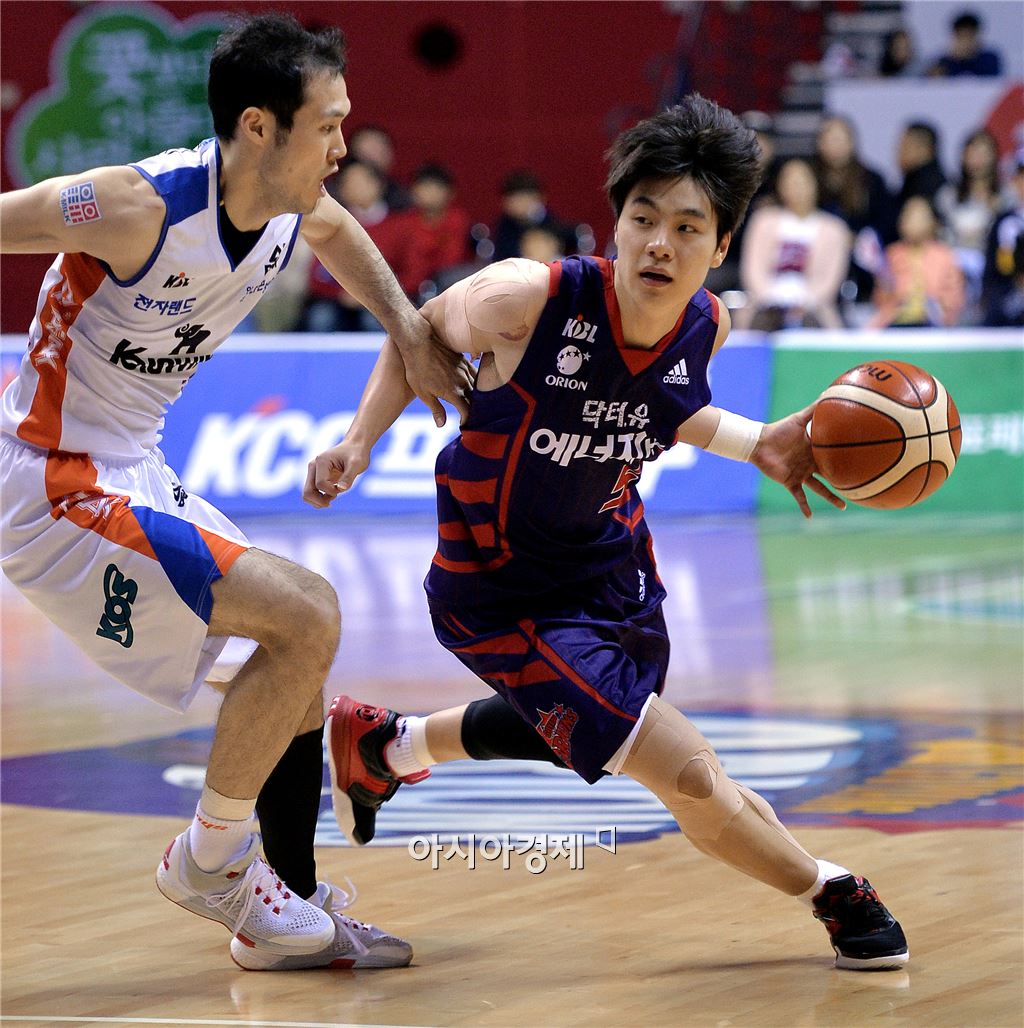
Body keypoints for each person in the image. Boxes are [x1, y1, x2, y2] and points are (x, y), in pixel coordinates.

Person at [306, 94, 910, 972]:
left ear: (721, 246)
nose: (660, 243)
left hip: (611, 565)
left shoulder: (707, 324)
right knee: (682, 769)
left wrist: (756, 443)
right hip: (500, 588)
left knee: (594, 730)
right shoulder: (527, 297)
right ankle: (832, 889)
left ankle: (385, 744)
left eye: (688, 228)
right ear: (616, 224)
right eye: (644, 219)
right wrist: (359, 441)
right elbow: (418, 332)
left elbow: (657, 403)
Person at [0, 12, 473, 972]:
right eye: (328, 124)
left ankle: (284, 907)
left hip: (134, 465)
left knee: (294, 656)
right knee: (309, 613)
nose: (344, 145)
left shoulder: (291, 206)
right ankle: (210, 863)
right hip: (54, 477)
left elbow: (338, 233)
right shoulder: (135, 206)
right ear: (259, 127)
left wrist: (409, 332)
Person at [738, 157, 851, 330]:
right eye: (789, 181)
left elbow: (830, 280)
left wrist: (805, 301)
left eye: (801, 181)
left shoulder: (834, 228)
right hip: (766, 305)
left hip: (814, 308)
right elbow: (752, 269)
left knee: (810, 324)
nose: (796, 187)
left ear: (815, 183)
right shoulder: (763, 221)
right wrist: (770, 298)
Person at [374, 163, 473, 302]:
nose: (430, 193)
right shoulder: (402, 222)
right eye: (425, 187)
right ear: (413, 191)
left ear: (450, 193)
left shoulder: (457, 220)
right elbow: (389, 259)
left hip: (446, 291)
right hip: (403, 292)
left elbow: (450, 263)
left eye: (437, 188)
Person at [869, 196, 965, 328]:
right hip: (894, 324)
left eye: (919, 217)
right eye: (908, 216)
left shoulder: (945, 256)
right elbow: (880, 299)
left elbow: (954, 299)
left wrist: (937, 310)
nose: (913, 222)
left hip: (934, 325)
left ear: (932, 222)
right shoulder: (892, 254)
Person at [491, 170, 574, 262]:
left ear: (540, 198)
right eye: (516, 200)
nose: (521, 205)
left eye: (525, 199)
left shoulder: (553, 224)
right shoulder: (503, 229)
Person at [926, 10, 1003, 78]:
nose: (966, 41)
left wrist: (968, 57)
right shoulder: (943, 63)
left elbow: (991, 78)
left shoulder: (990, 59)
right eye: (962, 36)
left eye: (969, 36)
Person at [895, 122, 947, 215]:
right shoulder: (911, 181)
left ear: (925, 150)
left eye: (905, 147)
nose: (899, 153)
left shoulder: (924, 187)